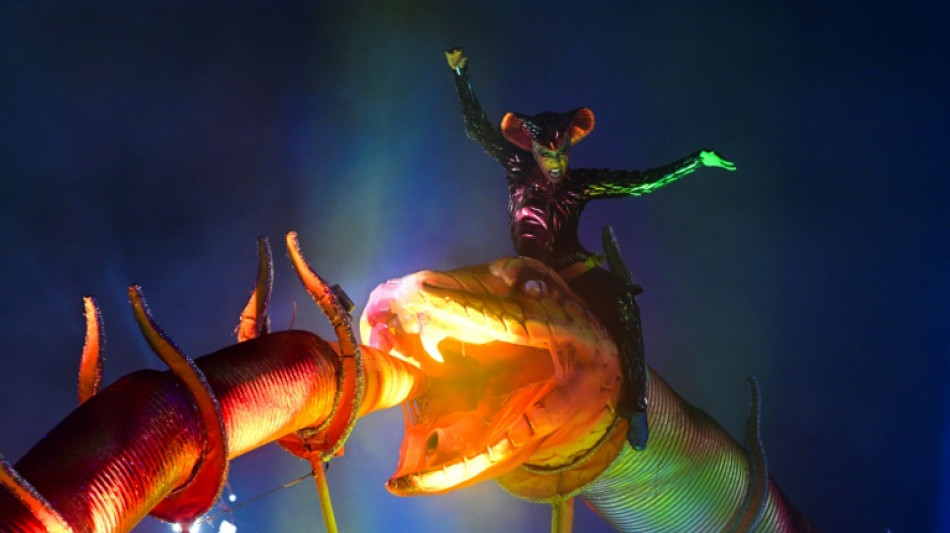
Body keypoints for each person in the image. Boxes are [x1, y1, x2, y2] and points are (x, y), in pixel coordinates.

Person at [445, 48, 736, 450]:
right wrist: (461, 74)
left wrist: (696, 160)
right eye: (547, 154)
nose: (555, 163)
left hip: (571, 271)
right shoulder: (516, 166)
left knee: (623, 303)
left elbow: (641, 183)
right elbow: (478, 129)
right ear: (532, 150)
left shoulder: (580, 184)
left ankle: (636, 406)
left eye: (562, 154)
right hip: (526, 269)